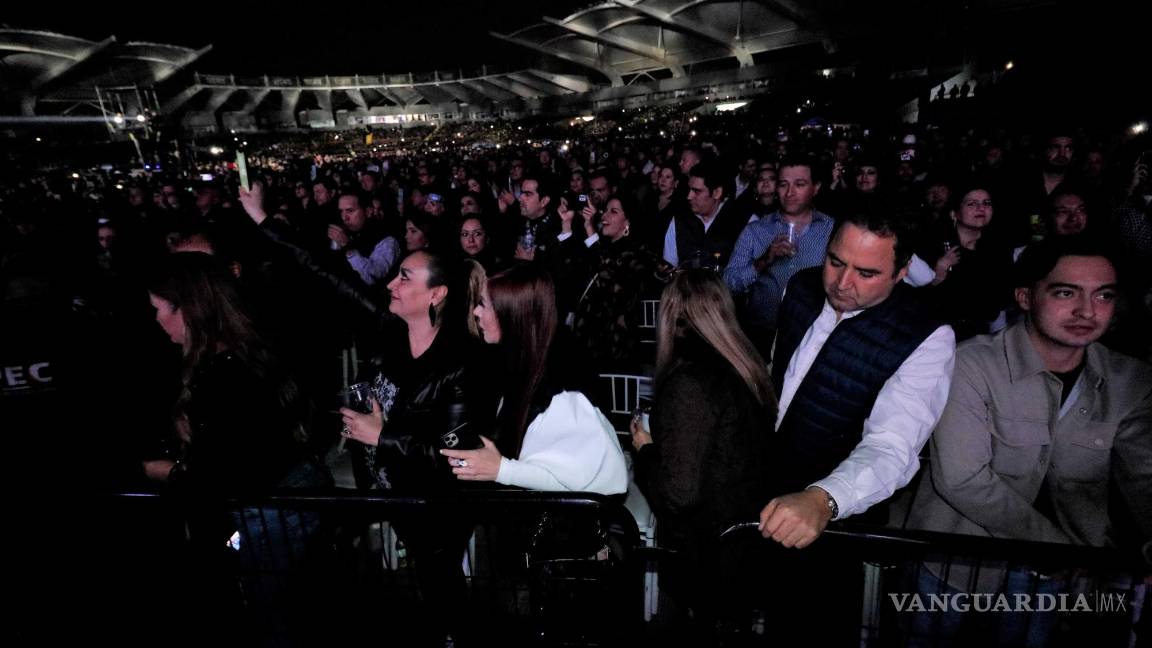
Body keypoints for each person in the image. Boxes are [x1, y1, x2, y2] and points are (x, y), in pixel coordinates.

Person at [906, 239, 1152, 645]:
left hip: (1058, 577)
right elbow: (963, 478)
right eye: (1066, 292)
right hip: (961, 562)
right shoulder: (972, 364)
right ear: (1025, 296)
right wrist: (1062, 551)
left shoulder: (1130, 381)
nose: (1087, 311)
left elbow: (1143, 474)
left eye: (1103, 295)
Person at [755, 211, 956, 643]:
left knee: (817, 624)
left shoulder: (926, 335)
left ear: (902, 272)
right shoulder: (801, 286)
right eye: (835, 262)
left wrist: (824, 499)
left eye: (867, 273)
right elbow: (780, 375)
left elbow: (892, 448)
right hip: (767, 489)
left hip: (837, 520)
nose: (843, 284)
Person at [141, 252, 331, 640]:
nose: (157, 321)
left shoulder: (224, 373)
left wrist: (167, 471)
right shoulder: (245, 351)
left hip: (273, 514)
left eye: (159, 309)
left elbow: (228, 469)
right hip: (290, 502)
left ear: (188, 309)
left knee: (280, 623)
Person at [339, 250, 495, 646]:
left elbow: (458, 454)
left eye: (405, 277)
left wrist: (381, 436)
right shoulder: (391, 331)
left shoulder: (461, 361)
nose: (391, 284)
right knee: (421, 587)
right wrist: (262, 220)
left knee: (441, 588)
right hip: (393, 489)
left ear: (436, 294)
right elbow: (333, 280)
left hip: (436, 505)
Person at [629, 269, 775, 640]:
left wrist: (645, 448)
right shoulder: (746, 364)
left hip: (710, 556)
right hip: (742, 545)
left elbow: (678, 492)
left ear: (671, 315)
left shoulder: (691, 381)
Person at [440, 263, 627, 495]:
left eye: (483, 304)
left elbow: (609, 482)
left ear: (511, 314)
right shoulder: (520, 363)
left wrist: (502, 470)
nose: (476, 312)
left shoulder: (562, 390)